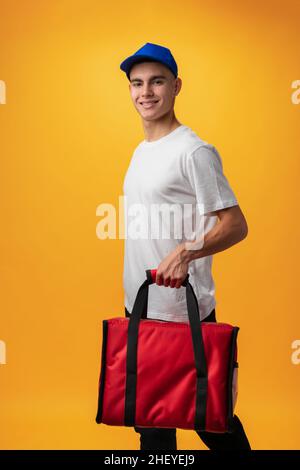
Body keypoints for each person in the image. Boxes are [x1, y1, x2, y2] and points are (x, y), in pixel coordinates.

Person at [120, 42, 251, 450]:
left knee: (211, 418)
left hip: (182, 310)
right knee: (152, 424)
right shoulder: (142, 151)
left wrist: (187, 251)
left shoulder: (194, 151)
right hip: (140, 306)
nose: (146, 92)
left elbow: (236, 225)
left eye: (157, 81)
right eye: (137, 83)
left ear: (176, 86)